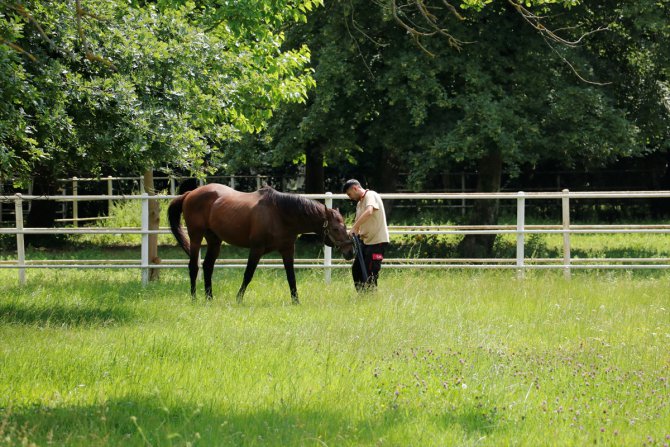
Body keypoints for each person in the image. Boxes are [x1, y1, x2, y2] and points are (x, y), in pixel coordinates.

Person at [343, 179, 390, 292]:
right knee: (357, 270)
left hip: (377, 242)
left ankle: (371, 297)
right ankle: (362, 297)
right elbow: (359, 222)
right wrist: (354, 232)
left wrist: (354, 227)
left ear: (355, 188)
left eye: (349, 194)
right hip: (366, 242)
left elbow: (369, 211)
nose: (350, 197)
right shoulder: (359, 204)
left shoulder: (371, 195)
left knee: (370, 272)